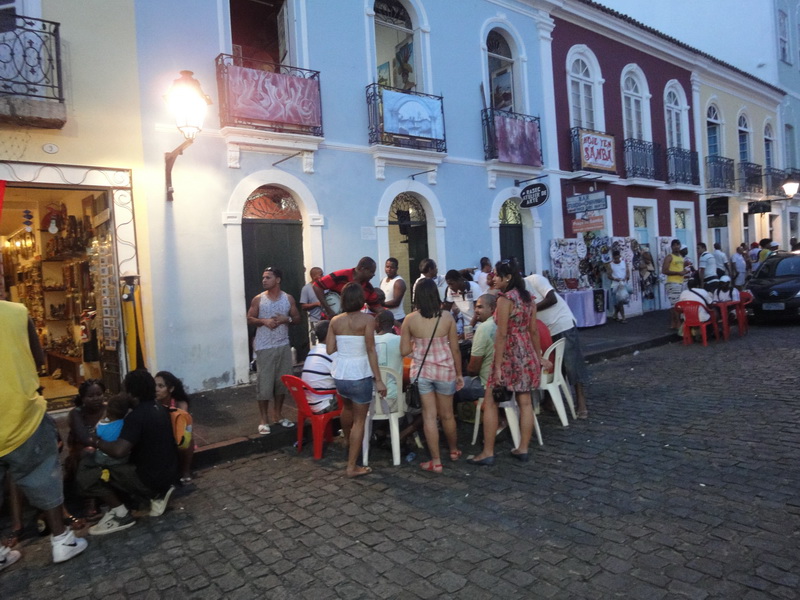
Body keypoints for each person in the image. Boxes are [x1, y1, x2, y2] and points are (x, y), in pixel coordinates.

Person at [1, 299, 88, 568]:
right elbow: (40, 358)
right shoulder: (17, 312)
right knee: (44, 473)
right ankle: (61, 541)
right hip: (20, 416)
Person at [468, 260, 549, 466]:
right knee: (525, 402)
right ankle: (523, 448)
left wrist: (497, 367)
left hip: (508, 353)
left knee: (490, 401)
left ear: (508, 277)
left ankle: (488, 451)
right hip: (526, 351)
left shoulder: (506, 300)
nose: (493, 278)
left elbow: (502, 333)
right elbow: (533, 330)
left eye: (497, 275)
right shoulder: (528, 298)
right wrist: (538, 355)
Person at [79, 370, 179, 535]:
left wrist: (96, 441)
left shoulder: (137, 416)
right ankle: (152, 496)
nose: (122, 394)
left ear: (132, 393)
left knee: (88, 469)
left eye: (124, 390)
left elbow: (119, 451)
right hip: (168, 473)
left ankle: (121, 513)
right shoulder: (158, 408)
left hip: (150, 480)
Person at [401, 278, 463, 473]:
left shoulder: (410, 319)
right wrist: (459, 374)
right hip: (445, 370)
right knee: (447, 415)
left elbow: (403, 350)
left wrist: (416, 346)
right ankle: (453, 451)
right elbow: (455, 349)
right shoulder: (447, 317)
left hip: (422, 372)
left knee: (429, 416)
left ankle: (435, 461)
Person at [327, 283, 386, 478]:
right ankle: (352, 466)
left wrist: (346, 344)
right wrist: (379, 379)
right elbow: (370, 349)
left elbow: (329, 349)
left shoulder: (335, 321)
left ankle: (347, 442)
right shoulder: (368, 320)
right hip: (360, 373)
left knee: (347, 409)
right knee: (360, 421)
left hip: (341, 373)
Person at [524, 273, 590, 419]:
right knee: (551, 364)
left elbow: (552, 299)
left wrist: (530, 309)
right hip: (544, 330)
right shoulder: (515, 296)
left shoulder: (535, 280)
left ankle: (581, 402)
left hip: (562, 324)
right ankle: (549, 400)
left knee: (572, 364)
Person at [247, 266, 300, 435]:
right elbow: (249, 318)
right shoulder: (258, 299)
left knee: (281, 383)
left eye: (268, 277)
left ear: (278, 280)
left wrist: (287, 319)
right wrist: (264, 321)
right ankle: (264, 419)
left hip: (283, 345)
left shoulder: (288, 298)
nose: (264, 280)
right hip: (264, 347)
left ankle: (278, 415)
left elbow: (297, 318)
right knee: (264, 385)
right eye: (263, 277)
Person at [454, 294, 497, 405]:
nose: (476, 311)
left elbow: (473, 370)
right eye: (475, 307)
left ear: (492, 308)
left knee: (448, 387)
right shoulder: (502, 324)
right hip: (502, 382)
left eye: (480, 307)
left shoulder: (484, 328)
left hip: (485, 384)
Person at [155, 371, 193, 483]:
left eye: (161, 386)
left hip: (176, 434)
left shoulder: (180, 404)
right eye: (155, 385)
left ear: (171, 389)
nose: (156, 389)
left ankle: (185, 471)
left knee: (187, 439)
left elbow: (182, 425)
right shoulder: (153, 403)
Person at [313, 257, 382, 317]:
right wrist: (328, 310)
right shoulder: (340, 275)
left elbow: (376, 306)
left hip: (350, 323)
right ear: (362, 269)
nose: (373, 275)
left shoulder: (368, 288)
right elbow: (317, 286)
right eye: (371, 272)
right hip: (330, 320)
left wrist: (385, 314)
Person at [301, 321, 339, 414]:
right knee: (355, 397)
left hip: (308, 403)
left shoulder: (313, 351)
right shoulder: (331, 353)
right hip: (324, 404)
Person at [374, 310, 403, 404]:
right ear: (393, 323)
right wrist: (399, 325)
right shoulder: (399, 340)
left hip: (371, 396)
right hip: (394, 395)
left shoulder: (369, 340)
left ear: (377, 323)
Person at [662, 239, 685, 330]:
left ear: (680, 246)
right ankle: (677, 322)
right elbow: (664, 270)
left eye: (677, 245)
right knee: (675, 304)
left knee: (676, 304)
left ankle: (674, 323)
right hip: (672, 282)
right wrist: (678, 273)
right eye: (674, 245)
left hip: (681, 282)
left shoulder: (681, 257)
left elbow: (681, 269)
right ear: (671, 247)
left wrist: (684, 271)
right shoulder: (669, 257)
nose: (676, 247)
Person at [300, 267, 325, 344]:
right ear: (314, 276)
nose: (323, 276)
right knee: (317, 344)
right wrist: (316, 304)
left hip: (326, 320)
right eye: (321, 275)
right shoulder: (306, 288)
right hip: (315, 321)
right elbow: (303, 306)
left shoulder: (325, 286)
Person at [379, 258, 406, 324]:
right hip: (385, 318)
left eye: (392, 267)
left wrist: (380, 303)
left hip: (397, 318)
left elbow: (396, 303)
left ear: (396, 268)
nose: (389, 269)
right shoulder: (383, 280)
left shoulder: (399, 282)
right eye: (387, 267)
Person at [606, 250, 630, 323]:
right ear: (613, 257)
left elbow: (627, 272)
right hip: (615, 285)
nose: (616, 260)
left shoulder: (624, 263)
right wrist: (615, 279)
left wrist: (626, 277)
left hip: (623, 284)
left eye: (617, 258)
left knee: (621, 302)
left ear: (620, 256)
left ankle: (619, 316)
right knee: (617, 303)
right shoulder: (610, 265)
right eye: (615, 258)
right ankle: (621, 316)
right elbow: (609, 276)